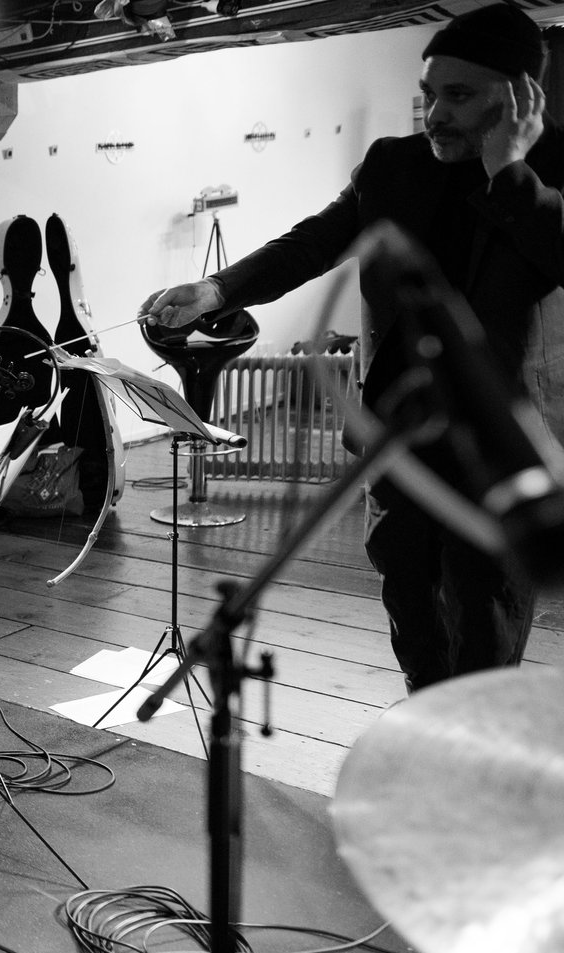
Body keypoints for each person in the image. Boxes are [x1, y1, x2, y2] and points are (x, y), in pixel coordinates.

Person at [142, 2, 563, 694]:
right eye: (430, 94)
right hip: (396, 438)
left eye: (459, 96)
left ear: (520, 96)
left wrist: (509, 172)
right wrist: (217, 289)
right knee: (412, 616)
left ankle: (468, 740)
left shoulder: (553, 170)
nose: (435, 115)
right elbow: (314, 242)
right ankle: (426, 723)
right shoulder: (394, 164)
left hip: (499, 453)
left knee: (484, 634)